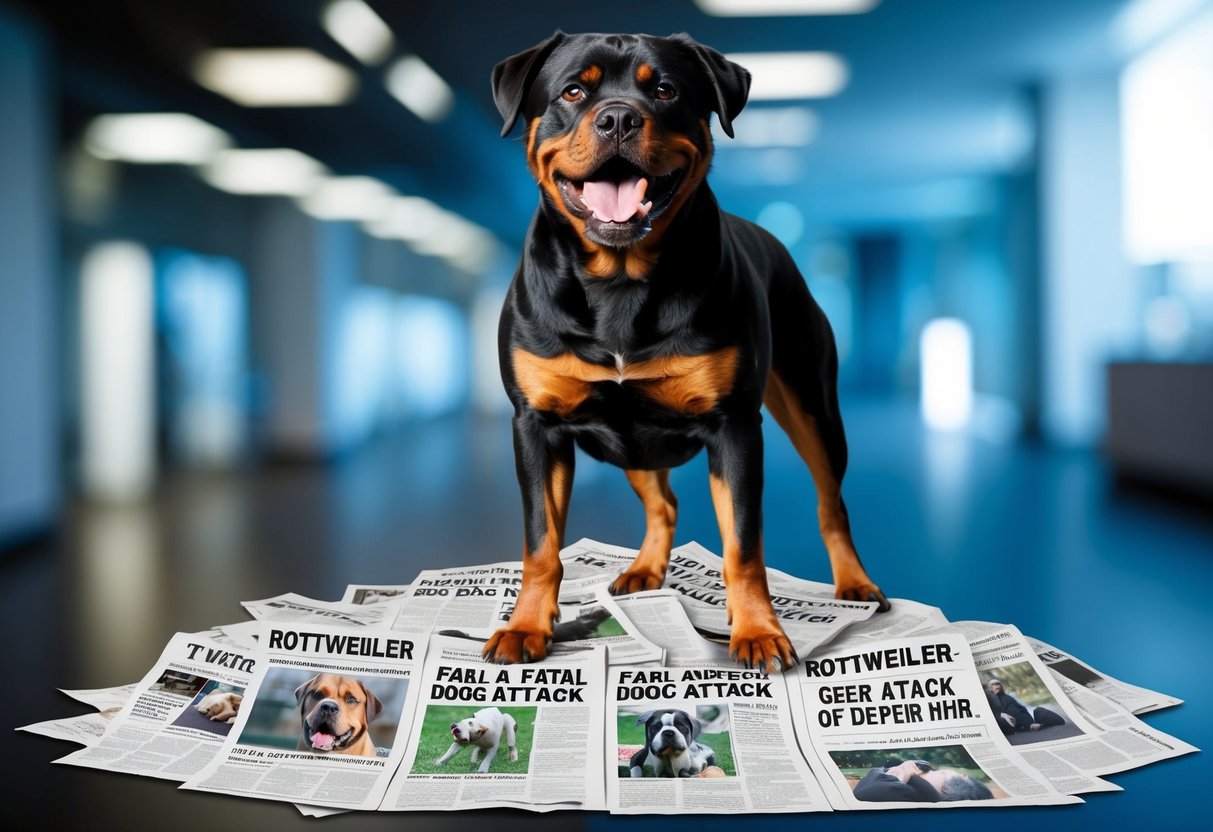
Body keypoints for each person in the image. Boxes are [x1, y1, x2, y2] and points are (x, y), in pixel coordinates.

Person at [852, 759, 994, 803]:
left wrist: (897, 776)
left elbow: (863, 794)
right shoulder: (912, 789)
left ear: (945, 789)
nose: (930, 771)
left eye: (941, 773)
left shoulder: (908, 790)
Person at [986, 678, 1065, 735]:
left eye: (997, 683)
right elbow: (999, 712)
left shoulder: (1008, 696)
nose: (996, 686)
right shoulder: (991, 700)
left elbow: (1022, 707)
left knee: (1059, 720)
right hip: (1019, 723)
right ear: (989, 688)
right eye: (993, 684)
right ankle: (1031, 727)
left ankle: (1038, 725)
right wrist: (1028, 725)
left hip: (1032, 713)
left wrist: (1032, 716)